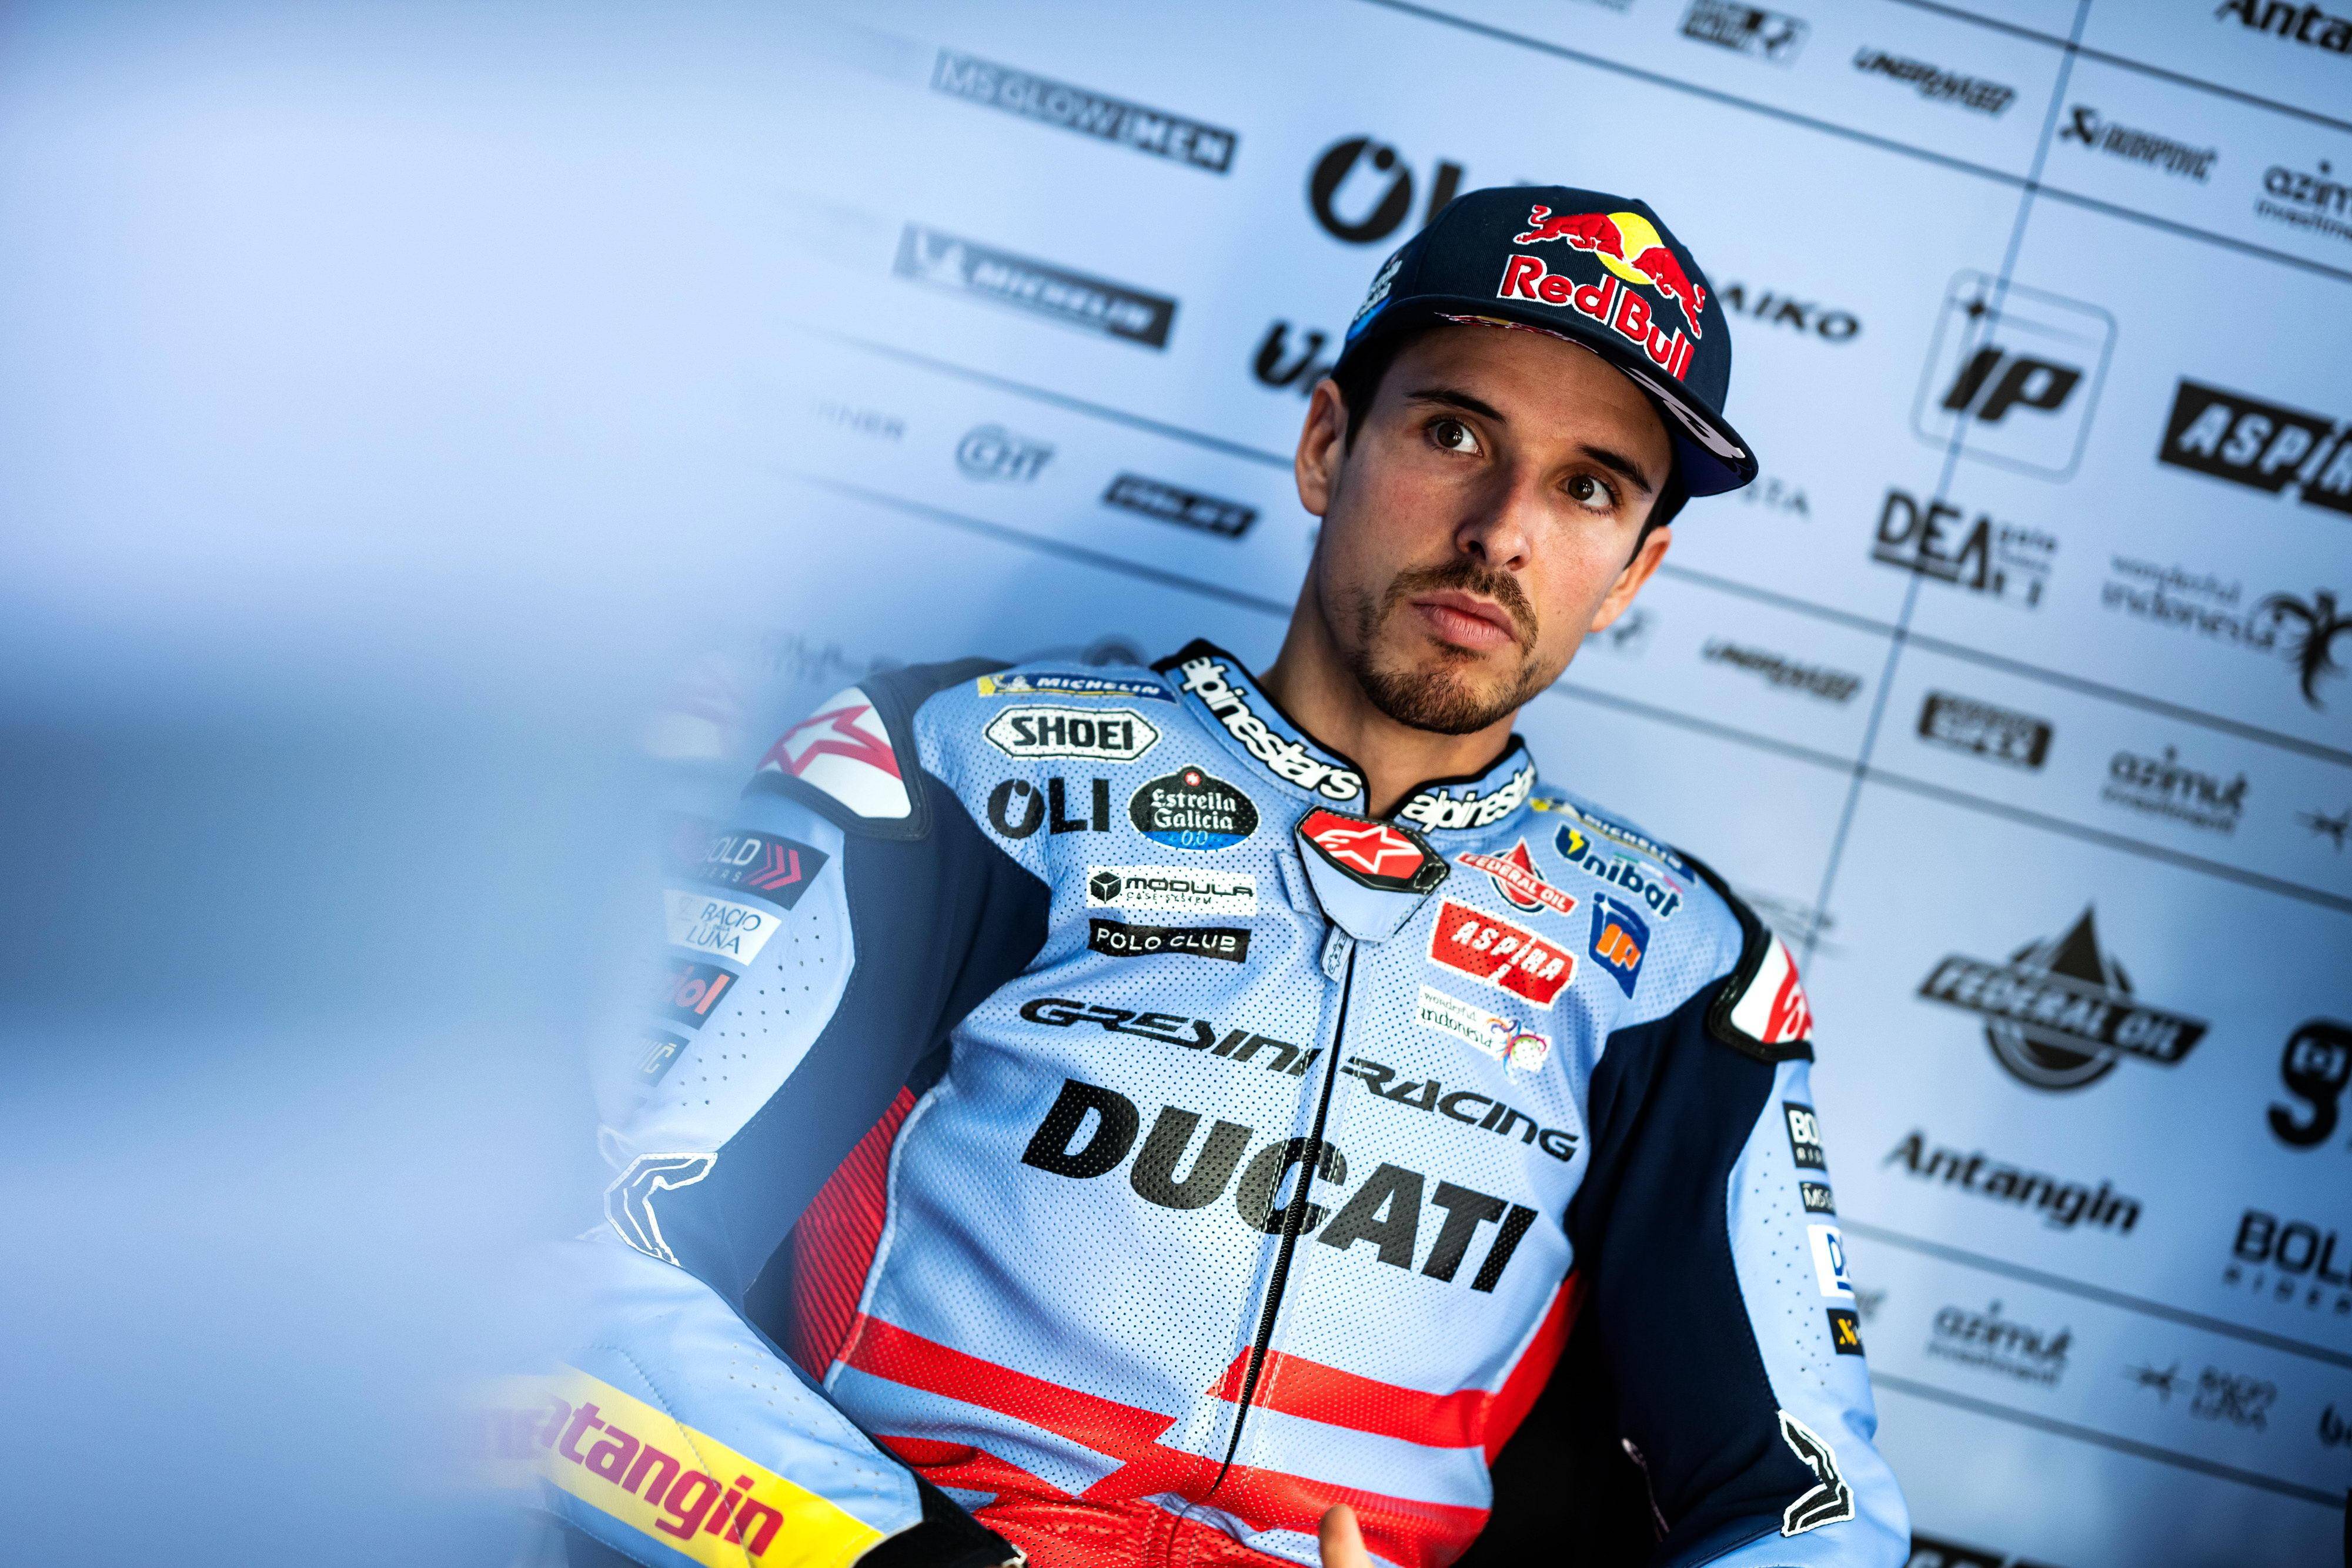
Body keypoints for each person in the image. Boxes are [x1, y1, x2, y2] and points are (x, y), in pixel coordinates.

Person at [536, 185, 1910, 1568]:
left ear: (1629, 571)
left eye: (1586, 487)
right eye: (1453, 433)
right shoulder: (951, 769)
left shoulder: (1678, 968)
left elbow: (1822, 1514)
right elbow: (566, 1272)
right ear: (1326, 444)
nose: (1502, 530)